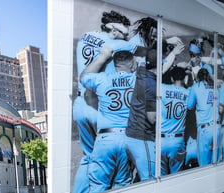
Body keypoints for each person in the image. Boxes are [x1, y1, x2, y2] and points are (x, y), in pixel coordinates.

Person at [72, 10, 131, 193]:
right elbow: (141, 48)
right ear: (114, 29)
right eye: (124, 31)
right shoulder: (117, 43)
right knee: (110, 162)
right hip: (99, 108)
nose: (126, 36)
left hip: (80, 104)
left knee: (88, 157)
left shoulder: (84, 37)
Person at [80, 50, 138, 192]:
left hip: (106, 138)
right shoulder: (137, 79)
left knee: (98, 186)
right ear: (130, 63)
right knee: (123, 184)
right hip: (128, 138)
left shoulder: (102, 79)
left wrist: (102, 57)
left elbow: (83, 77)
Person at [124, 48, 157, 182]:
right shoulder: (152, 85)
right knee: (149, 181)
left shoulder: (141, 74)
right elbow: (152, 118)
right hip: (142, 138)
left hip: (130, 134)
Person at [160, 63, 194, 175]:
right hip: (177, 140)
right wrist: (190, 74)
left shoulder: (162, 88)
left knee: (161, 179)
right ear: (184, 78)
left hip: (161, 139)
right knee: (176, 177)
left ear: (171, 78)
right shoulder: (188, 92)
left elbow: (159, 75)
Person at [186, 68, 217, 166]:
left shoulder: (196, 86)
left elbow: (190, 106)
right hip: (217, 127)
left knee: (204, 165)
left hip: (205, 129)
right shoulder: (214, 87)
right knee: (216, 164)